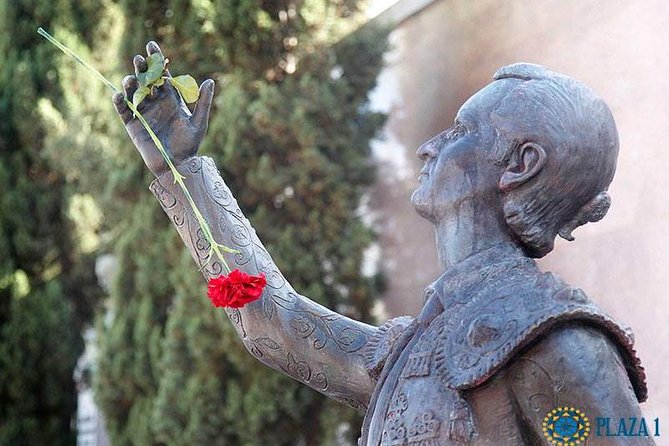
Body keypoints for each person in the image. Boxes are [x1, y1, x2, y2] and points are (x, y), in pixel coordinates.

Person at [113, 42, 652, 445]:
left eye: (461, 131)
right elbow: (273, 323)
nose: (427, 146)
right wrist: (179, 171)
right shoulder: (414, 347)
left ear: (519, 164)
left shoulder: (557, 340)